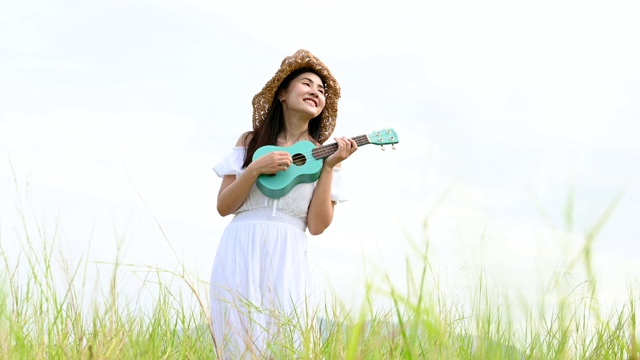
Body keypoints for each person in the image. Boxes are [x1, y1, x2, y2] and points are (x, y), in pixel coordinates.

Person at [209, 49, 357, 359]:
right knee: (238, 338)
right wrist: (253, 170)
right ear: (282, 94)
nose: (315, 92)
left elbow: (317, 225)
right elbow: (224, 206)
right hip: (241, 244)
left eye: (321, 90)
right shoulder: (250, 143)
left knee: (288, 338)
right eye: (306, 83)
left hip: (288, 248)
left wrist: (329, 167)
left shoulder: (325, 155)